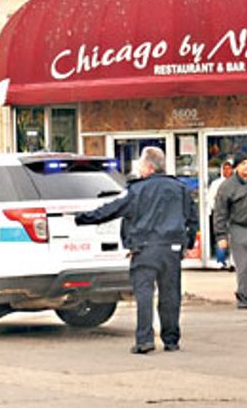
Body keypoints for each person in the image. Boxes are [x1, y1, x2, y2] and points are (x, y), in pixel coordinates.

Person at [76, 146, 198, 353]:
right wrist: (188, 244)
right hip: (171, 249)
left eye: (141, 166)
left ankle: (144, 340)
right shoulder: (180, 188)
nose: (140, 170)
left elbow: (112, 210)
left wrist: (82, 218)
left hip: (144, 248)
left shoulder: (137, 190)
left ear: (149, 168)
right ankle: (171, 340)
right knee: (170, 295)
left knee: (144, 294)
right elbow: (192, 220)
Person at [213, 150, 247, 309]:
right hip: (239, 227)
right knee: (244, 265)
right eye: (243, 164)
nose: (246, 167)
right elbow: (220, 212)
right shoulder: (227, 186)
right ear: (236, 167)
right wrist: (221, 236)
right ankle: (243, 297)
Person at [208, 158, 234, 268]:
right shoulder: (216, 183)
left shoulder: (237, 183)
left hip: (234, 214)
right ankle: (220, 260)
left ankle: (233, 261)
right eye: (225, 169)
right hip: (220, 214)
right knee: (220, 236)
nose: (227, 171)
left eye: (229, 168)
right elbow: (210, 198)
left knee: (233, 237)